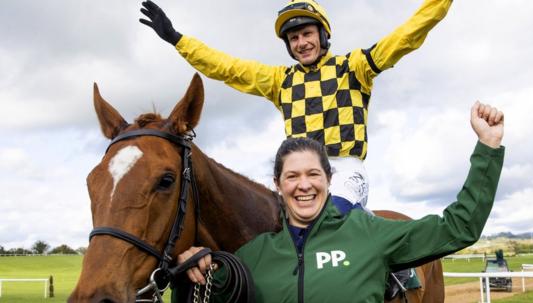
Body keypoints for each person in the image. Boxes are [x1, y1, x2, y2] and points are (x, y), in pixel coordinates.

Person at [173, 101, 505, 303]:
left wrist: (488, 147)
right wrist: (191, 274)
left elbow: (458, 227)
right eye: (292, 176)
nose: (303, 185)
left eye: (313, 174)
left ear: (329, 180)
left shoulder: (367, 235)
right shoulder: (252, 256)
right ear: (277, 184)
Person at [139, 0, 454, 213]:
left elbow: (405, 37)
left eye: (306, 34)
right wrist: (179, 40)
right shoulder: (280, 80)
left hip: (344, 169)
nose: (301, 43)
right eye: (293, 39)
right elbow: (228, 68)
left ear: (323, 35)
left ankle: (388, 272)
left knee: (328, 218)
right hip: (297, 173)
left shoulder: (356, 67)